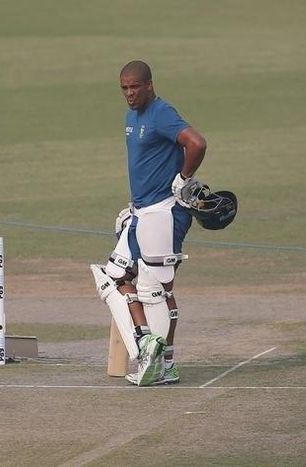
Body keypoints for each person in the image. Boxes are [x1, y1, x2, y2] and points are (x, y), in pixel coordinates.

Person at [93, 60, 207, 386]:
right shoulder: (132, 117)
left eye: (134, 87)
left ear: (149, 85)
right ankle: (146, 344)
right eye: (124, 88)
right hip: (142, 212)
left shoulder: (161, 113)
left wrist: (184, 178)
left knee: (157, 289)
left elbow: (197, 143)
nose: (129, 94)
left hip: (165, 212)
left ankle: (165, 364)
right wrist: (134, 208)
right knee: (115, 276)